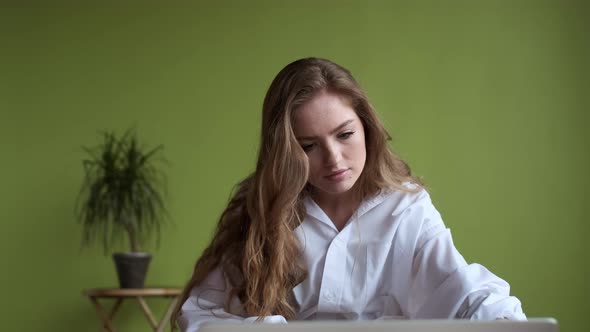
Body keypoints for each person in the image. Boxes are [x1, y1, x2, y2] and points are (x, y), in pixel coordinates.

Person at [171, 57, 526, 331]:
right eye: (308, 145)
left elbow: (459, 288)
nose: (334, 159)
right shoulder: (262, 212)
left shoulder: (406, 207)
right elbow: (202, 314)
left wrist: (505, 321)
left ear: (367, 128)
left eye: (344, 135)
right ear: (285, 152)